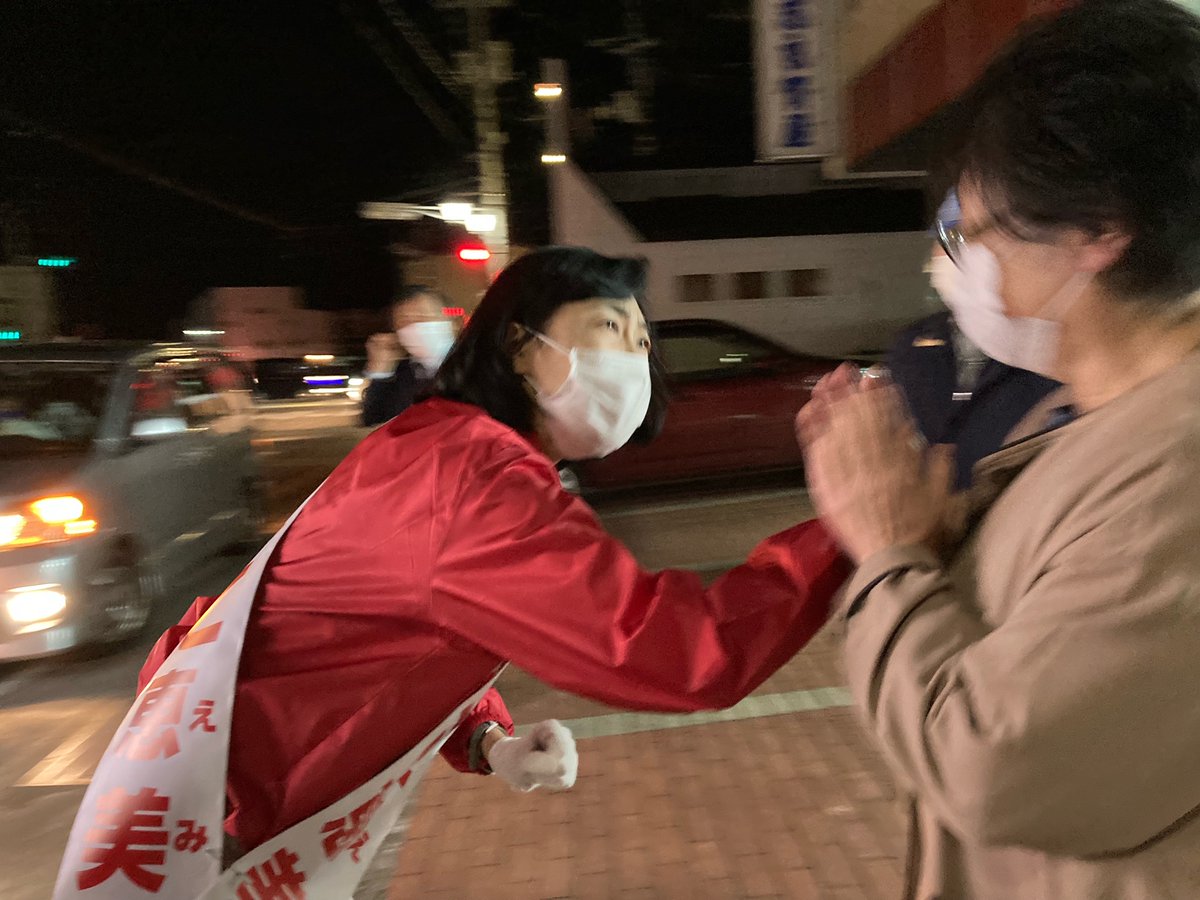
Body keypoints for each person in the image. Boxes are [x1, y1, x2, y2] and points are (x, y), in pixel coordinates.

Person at [60, 247, 849, 897]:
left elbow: (384, 625)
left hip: (219, 797)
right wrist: (853, 520)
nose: (637, 358)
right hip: (222, 836)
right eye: (611, 328)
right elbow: (676, 653)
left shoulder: (443, 445)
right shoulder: (475, 478)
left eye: (645, 341)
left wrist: (484, 738)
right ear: (521, 346)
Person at [799, 1, 1200, 896]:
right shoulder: (1101, 423)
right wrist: (944, 548)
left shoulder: (1179, 467)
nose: (957, 265)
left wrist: (890, 554)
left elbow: (996, 766)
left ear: (1097, 227)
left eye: (970, 232)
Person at [888, 191, 1060, 489]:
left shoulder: (1047, 351)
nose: (947, 255)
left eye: (968, 237)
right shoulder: (914, 345)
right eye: (946, 240)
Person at [361, 285, 456, 426]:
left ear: (450, 322)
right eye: (404, 322)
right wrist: (380, 372)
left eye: (422, 317)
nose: (414, 327)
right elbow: (373, 422)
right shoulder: (401, 375)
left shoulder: (478, 365)